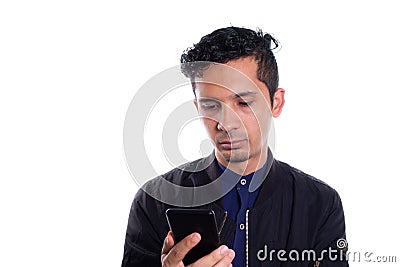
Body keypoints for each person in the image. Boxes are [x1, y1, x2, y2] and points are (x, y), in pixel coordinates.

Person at [122, 27, 348, 267]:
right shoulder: (153, 201)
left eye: (243, 103)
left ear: (276, 103)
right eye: (210, 105)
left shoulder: (319, 203)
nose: (226, 123)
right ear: (197, 106)